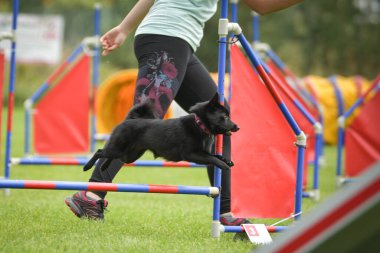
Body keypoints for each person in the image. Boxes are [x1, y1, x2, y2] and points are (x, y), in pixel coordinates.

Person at [65, 0, 303, 225]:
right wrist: (124, 28)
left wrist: (123, 28)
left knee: (219, 119)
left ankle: (225, 213)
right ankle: (91, 196)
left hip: (177, 42)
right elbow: (262, 5)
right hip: (167, 38)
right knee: (144, 121)